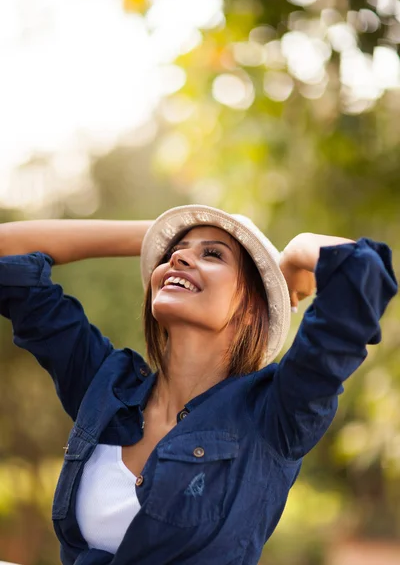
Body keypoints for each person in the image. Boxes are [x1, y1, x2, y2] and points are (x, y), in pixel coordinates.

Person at [0, 204, 397, 565]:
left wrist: (292, 255)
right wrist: (158, 231)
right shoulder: (105, 384)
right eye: (173, 251)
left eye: (213, 254)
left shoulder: (275, 413)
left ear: (249, 307)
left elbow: (362, 271)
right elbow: (8, 252)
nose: (179, 256)